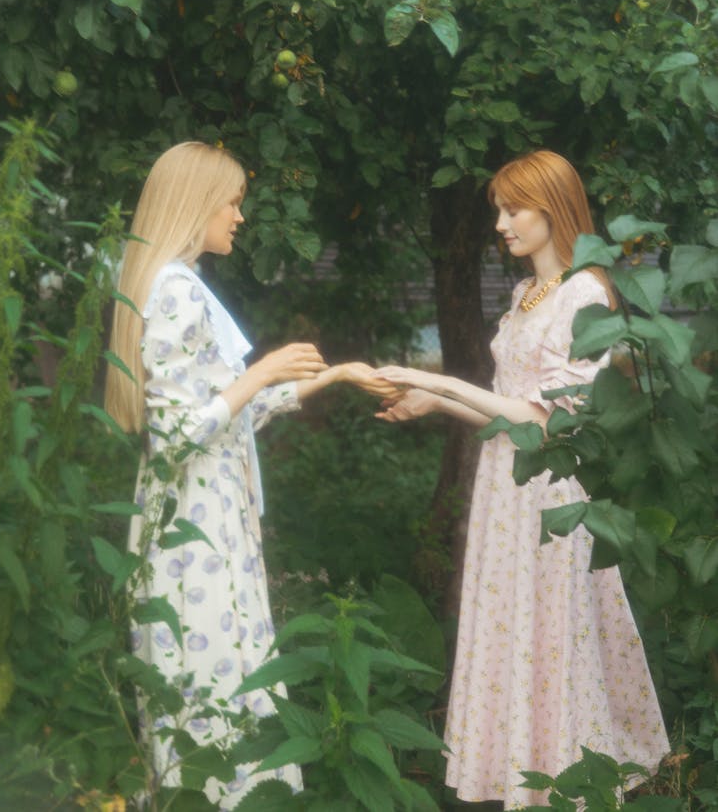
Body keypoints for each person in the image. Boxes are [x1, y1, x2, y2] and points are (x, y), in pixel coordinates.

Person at [375, 150, 669, 808]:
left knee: (554, 632)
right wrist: (437, 403)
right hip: (503, 489)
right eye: (499, 211)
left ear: (553, 208)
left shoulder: (586, 293)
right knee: (513, 629)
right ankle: (522, 779)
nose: (502, 223)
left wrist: (433, 377)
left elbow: (547, 420)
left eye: (515, 209)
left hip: (551, 491)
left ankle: (570, 787)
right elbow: (508, 405)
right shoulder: (524, 293)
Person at [105, 141, 391, 807]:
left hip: (208, 517)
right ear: (194, 201)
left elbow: (228, 414)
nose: (239, 216)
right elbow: (178, 431)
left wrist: (337, 374)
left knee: (216, 680)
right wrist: (260, 369)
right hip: (194, 529)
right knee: (208, 686)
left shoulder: (177, 280)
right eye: (232, 202)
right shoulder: (174, 287)